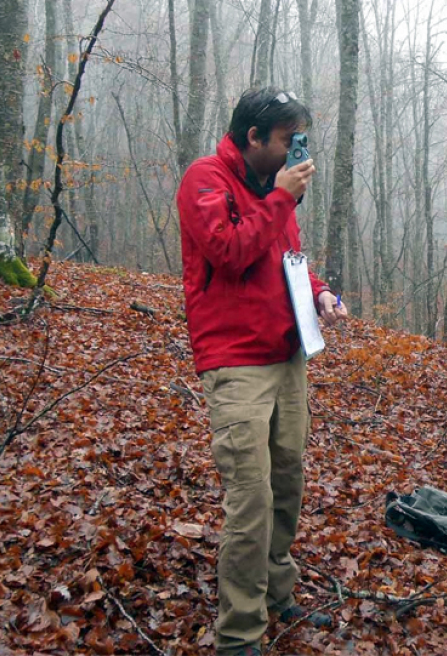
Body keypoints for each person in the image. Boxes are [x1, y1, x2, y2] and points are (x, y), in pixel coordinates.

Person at [176, 87, 348, 656]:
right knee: (248, 501)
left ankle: (278, 592)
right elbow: (228, 252)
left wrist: (320, 293)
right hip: (236, 362)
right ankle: (239, 634)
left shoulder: (279, 192)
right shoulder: (205, 180)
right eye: (286, 140)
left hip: (287, 354)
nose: (296, 151)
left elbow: (287, 259)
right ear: (253, 138)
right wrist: (279, 200)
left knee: (287, 484)